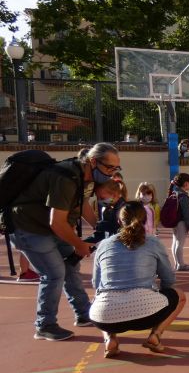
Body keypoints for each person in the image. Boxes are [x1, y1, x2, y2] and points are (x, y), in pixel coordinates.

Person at [11, 143, 121, 341]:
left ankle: (83, 314)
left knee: (70, 266)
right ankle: (44, 325)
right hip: (30, 228)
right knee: (54, 274)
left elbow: (84, 204)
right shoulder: (66, 178)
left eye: (116, 169)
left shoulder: (86, 179)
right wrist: (79, 244)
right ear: (93, 162)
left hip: (50, 228)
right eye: (109, 168)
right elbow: (57, 221)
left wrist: (100, 227)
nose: (112, 173)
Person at [89, 202, 186, 357]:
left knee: (98, 297)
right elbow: (168, 279)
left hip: (104, 317)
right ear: (145, 219)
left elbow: (96, 283)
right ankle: (155, 335)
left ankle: (110, 339)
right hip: (146, 314)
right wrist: (160, 294)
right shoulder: (153, 242)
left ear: (119, 221)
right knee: (179, 295)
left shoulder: (104, 245)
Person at [169, 173, 189, 271]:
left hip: (174, 221)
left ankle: (177, 263)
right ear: (185, 184)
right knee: (180, 243)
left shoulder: (174, 192)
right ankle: (181, 265)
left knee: (175, 243)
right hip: (181, 222)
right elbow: (186, 212)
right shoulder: (183, 196)